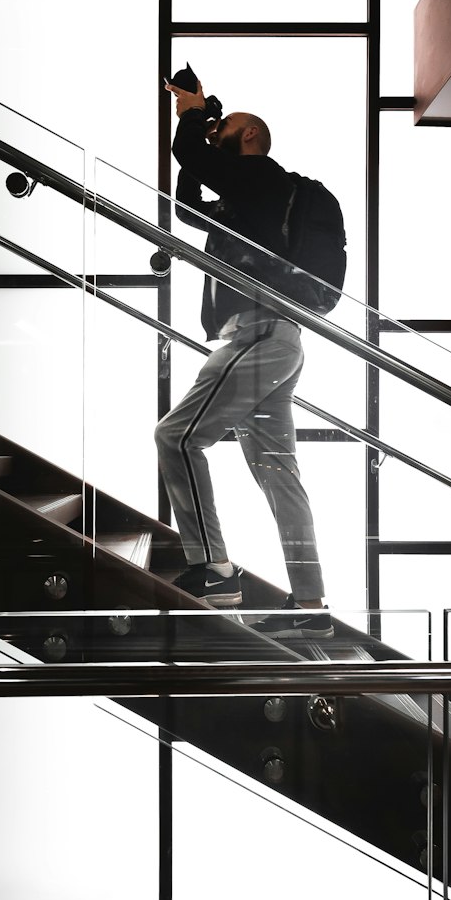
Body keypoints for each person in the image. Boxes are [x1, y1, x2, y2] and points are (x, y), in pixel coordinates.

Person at [154, 75, 333, 639]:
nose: (216, 134)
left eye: (227, 128)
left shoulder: (261, 178)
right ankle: (311, 608)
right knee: (279, 473)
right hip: (280, 340)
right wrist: (206, 129)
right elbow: (189, 210)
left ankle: (213, 570)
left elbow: (188, 152)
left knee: (177, 437)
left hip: (257, 334)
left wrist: (192, 111)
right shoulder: (249, 203)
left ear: (250, 135)